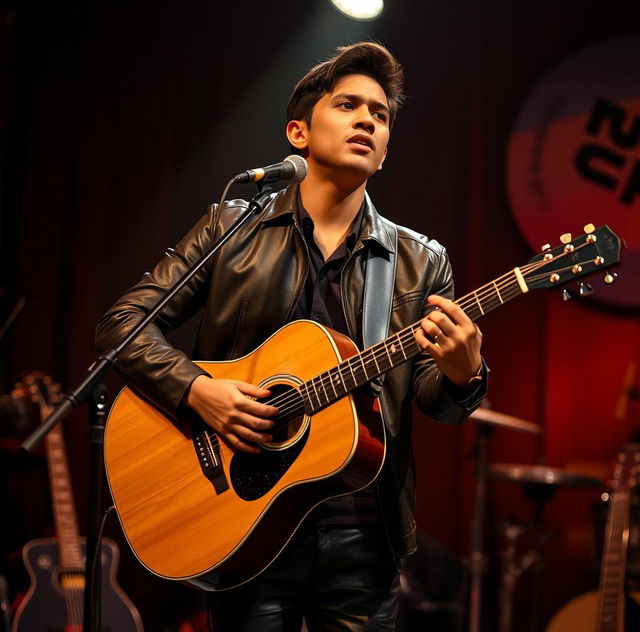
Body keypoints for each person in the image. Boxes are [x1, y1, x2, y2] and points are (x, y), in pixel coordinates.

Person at [96, 42, 487, 632]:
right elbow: (121, 326)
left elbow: (435, 402)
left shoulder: (419, 261)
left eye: (380, 115)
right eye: (348, 105)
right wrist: (199, 390)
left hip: (364, 538)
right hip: (242, 514)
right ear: (298, 133)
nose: (366, 120)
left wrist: (464, 373)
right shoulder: (234, 226)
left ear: (385, 150)